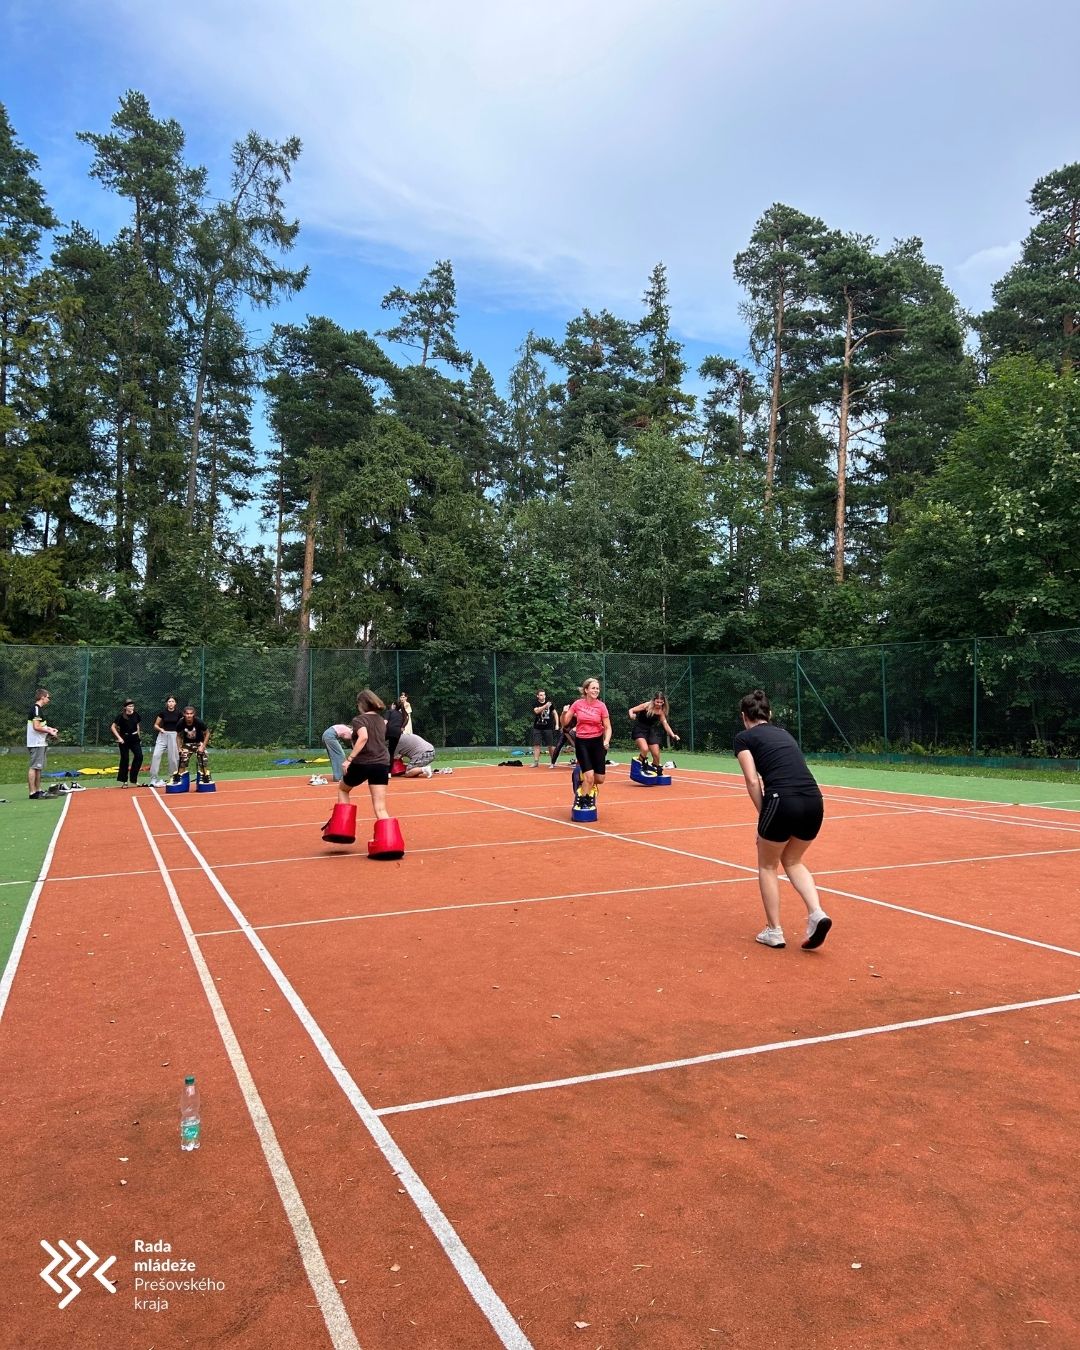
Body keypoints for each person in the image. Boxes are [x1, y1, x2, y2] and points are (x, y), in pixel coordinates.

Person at [734, 688, 832, 951]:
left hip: (782, 800)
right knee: (792, 860)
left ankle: (774, 930)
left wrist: (765, 817)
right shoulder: (785, 734)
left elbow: (752, 780)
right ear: (770, 713)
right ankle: (817, 913)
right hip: (814, 800)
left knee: (768, 865)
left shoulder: (744, 738)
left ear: (744, 716)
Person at [337, 689, 392, 819]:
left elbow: (364, 737)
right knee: (380, 808)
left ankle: (343, 826)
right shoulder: (381, 720)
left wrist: (349, 759)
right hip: (381, 764)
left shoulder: (359, 720)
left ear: (362, 704)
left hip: (363, 763)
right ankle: (389, 833)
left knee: (343, 789)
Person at [564, 678, 611, 810]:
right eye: (593, 688)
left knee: (600, 779)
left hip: (597, 742)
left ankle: (582, 778)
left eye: (597, 688)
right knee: (589, 777)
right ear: (586, 690)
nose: (596, 690)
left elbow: (608, 727)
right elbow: (565, 722)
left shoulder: (601, 706)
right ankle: (582, 800)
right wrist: (564, 713)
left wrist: (606, 740)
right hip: (582, 742)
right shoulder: (577, 704)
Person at [628, 693, 680, 773]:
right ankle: (639, 766)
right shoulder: (646, 705)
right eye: (657, 702)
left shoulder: (661, 712)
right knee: (645, 749)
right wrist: (631, 715)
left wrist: (673, 735)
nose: (659, 704)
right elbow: (631, 710)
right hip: (639, 729)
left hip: (650, 731)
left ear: (663, 702)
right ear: (654, 701)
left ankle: (654, 768)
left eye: (661, 702)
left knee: (656, 755)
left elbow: (665, 724)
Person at [27, 687, 59, 800]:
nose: (48, 700)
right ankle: (33, 792)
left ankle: (38, 790)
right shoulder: (36, 708)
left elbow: (41, 726)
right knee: (34, 767)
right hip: (36, 743)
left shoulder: (39, 709)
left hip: (40, 742)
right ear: (42, 697)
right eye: (47, 697)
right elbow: (36, 727)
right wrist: (49, 732)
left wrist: (50, 729)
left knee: (38, 767)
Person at [148, 695, 182, 786]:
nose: (171, 703)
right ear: (167, 703)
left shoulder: (179, 713)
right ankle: (153, 779)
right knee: (156, 755)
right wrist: (160, 729)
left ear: (175, 703)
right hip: (162, 735)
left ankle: (172, 777)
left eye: (172, 701)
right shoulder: (163, 713)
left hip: (174, 735)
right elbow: (155, 725)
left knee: (173, 758)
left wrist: (180, 739)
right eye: (169, 701)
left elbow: (182, 726)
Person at [110, 698, 144, 787]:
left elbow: (137, 726)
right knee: (125, 759)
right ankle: (124, 781)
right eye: (129, 706)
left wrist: (139, 737)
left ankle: (133, 779)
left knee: (139, 756)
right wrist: (119, 738)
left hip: (134, 738)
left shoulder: (136, 715)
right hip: (124, 739)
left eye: (132, 706)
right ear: (125, 707)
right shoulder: (121, 716)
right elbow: (113, 727)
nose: (131, 708)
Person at [174, 706, 212, 785]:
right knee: (182, 759)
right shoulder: (181, 722)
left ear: (194, 714)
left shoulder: (198, 721)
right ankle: (180, 777)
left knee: (203, 758)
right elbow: (178, 735)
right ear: (184, 714)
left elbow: (207, 733)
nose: (189, 715)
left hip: (198, 743)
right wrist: (179, 748)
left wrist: (203, 746)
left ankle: (205, 776)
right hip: (187, 744)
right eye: (187, 714)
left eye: (191, 714)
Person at [530, 690, 557, 767]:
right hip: (537, 727)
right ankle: (536, 762)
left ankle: (553, 762)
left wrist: (557, 724)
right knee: (536, 744)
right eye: (541, 695)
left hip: (548, 727)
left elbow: (555, 713)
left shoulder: (550, 703)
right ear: (537, 696)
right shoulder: (535, 703)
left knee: (550, 745)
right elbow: (537, 711)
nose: (543, 696)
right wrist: (545, 706)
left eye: (544, 695)